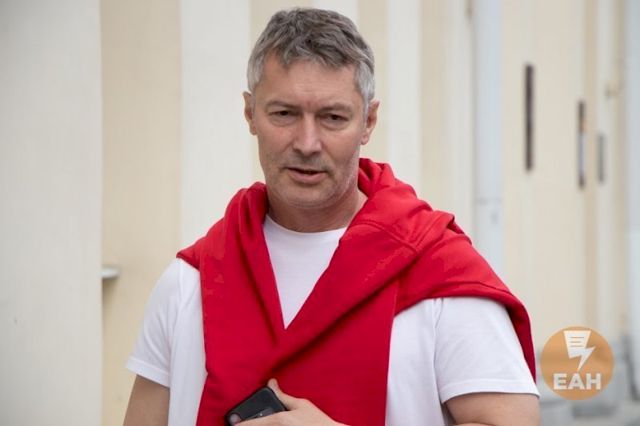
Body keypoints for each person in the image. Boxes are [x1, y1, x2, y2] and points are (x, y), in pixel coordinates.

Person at [124, 7, 540, 426]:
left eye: (333, 118)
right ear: (250, 114)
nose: (307, 143)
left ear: (368, 121)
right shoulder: (189, 282)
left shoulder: (440, 274)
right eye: (284, 114)